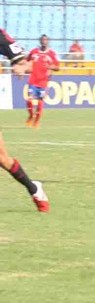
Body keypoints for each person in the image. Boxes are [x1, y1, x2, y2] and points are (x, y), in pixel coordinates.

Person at [0, 28, 49, 212]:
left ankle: (34, 189)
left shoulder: (1, 37)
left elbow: (27, 64)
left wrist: (21, 66)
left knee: (3, 159)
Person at [26, 34, 59, 129]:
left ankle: (36, 122)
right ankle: (31, 115)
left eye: (46, 40)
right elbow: (27, 61)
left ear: (48, 42)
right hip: (33, 80)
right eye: (43, 40)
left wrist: (50, 67)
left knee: (40, 101)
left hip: (43, 82)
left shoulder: (51, 54)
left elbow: (57, 67)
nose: (44, 41)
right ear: (40, 41)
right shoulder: (34, 52)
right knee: (29, 99)